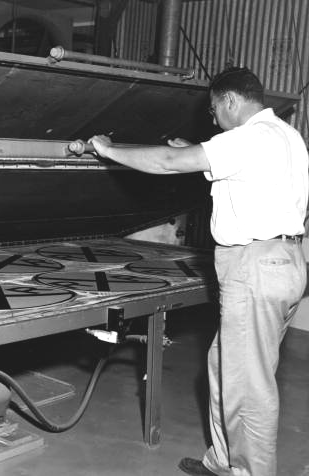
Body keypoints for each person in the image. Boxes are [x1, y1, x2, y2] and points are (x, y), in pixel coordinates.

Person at [89, 66, 308, 476]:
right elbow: (250, 178)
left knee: (249, 389)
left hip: (254, 268)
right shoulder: (285, 136)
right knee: (224, 364)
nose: (213, 120)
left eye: (213, 111)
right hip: (287, 263)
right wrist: (199, 149)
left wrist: (109, 149)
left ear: (230, 101)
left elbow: (170, 162)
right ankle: (224, 461)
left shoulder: (245, 139)